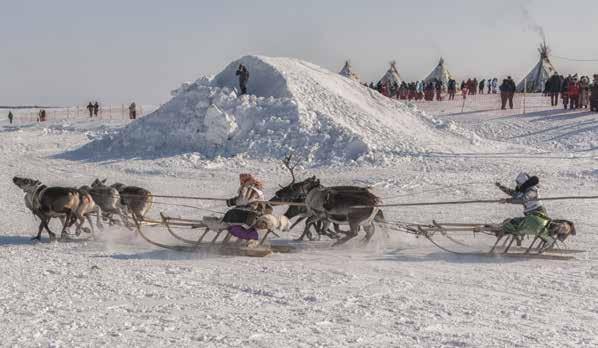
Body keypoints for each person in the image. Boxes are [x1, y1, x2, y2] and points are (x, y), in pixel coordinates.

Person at [496, 173, 552, 244]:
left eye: (518, 183)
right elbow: (513, 193)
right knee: (511, 223)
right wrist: (501, 187)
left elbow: (523, 199)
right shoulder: (524, 191)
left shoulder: (532, 191)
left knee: (529, 226)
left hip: (538, 215)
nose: (517, 185)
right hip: (530, 216)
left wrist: (507, 200)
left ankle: (549, 240)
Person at [223, 173, 270, 243]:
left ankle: (251, 239)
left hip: (249, 213)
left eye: (242, 180)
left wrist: (232, 201)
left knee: (230, 221)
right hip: (254, 212)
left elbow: (242, 201)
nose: (241, 182)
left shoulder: (248, 188)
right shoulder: (256, 189)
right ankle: (248, 239)